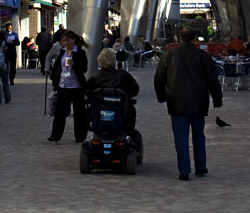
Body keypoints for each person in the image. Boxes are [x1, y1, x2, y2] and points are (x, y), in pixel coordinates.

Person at [154, 25, 223, 181]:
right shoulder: (202, 56)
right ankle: (200, 167)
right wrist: (217, 98)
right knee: (199, 135)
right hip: (198, 101)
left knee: (181, 137)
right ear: (194, 39)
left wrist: (162, 96)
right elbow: (212, 78)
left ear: (179, 38)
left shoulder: (169, 55)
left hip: (176, 102)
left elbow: (159, 77)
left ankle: (184, 170)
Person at [86, 47, 140, 141]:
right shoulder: (123, 75)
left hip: (99, 114)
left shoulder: (95, 77)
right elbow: (135, 89)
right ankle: (130, 133)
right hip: (120, 113)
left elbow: (87, 91)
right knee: (131, 109)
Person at [48, 30, 88, 144]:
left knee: (79, 112)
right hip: (63, 85)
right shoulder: (62, 52)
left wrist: (74, 65)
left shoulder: (80, 52)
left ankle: (80, 136)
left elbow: (84, 69)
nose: (66, 43)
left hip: (76, 86)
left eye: (68, 40)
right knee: (59, 112)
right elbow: (57, 67)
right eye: (64, 40)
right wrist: (54, 81)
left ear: (73, 40)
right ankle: (55, 135)